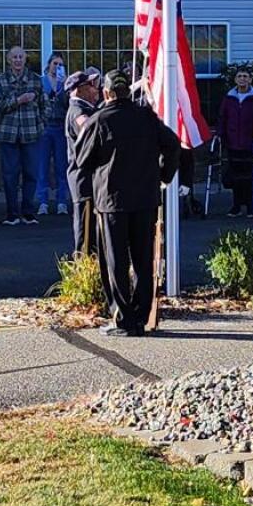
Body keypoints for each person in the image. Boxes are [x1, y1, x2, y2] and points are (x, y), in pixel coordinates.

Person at [73, 68, 180, 336]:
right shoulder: (146, 117)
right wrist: (164, 175)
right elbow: (173, 144)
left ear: (107, 93)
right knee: (143, 260)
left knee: (116, 261)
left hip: (112, 202)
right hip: (145, 198)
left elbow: (81, 159)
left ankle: (123, 319)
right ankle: (142, 317)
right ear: (127, 92)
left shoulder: (100, 119)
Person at [0, 46, 47, 226]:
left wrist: (42, 124)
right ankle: (12, 214)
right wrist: (18, 100)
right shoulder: (1, 80)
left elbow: (46, 105)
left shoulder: (35, 80)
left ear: (25, 59)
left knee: (31, 174)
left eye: (21, 57)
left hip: (31, 134)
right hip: (9, 134)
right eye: (14, 57)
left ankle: (28, 213)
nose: (18, 60)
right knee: (10, 175)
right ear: (9, 60)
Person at [216, 68, 253, 220]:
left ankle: (250, 205)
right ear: (235, 80)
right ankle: (236, 206)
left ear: (250, 79)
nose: (242, 79)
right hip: (233, 142)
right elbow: (222, 117)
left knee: (249, 176)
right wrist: (220, 135)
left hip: (250, 142)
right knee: (235, 176)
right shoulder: (229, 97)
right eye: (239, 76)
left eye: (245, 76)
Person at [63, 67, 104, 254]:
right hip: (83, 176)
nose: (96, 89)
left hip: (90, 176)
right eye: (91, 85)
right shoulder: (77, 111)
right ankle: (84, 267)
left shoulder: (88, 108)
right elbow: (89, 131)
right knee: (86, 229)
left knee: (93, 226)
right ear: (79, 89)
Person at [40, 53, 73, 217]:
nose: (57, 67)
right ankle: (43, 202)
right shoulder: (42, 81)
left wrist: (65, 87)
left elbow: (69, 104)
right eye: (55, 64)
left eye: (60, 64)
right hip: (45, 126)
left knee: (62, 166)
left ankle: (61, 202)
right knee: (42, 166)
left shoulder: (65, 83)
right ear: (49, 64)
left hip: (60, 126)